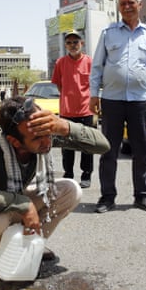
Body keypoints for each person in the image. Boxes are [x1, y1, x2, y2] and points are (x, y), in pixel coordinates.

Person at [0, 96, 110, 272]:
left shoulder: (41, 133)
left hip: (15, 198)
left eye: (48, 133)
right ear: (15, 141)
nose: (46, 142)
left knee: (71, 190)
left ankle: (32, 242)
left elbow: (103, 145)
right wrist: (24, 205)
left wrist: (63, 126)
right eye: (37, 139)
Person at [89, 0, 146, 214]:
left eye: (131, 2)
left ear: (140, 5)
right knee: (108, 151)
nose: (126, 6)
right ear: (119, 8)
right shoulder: (108, 33)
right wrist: (94, 94)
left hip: (140, 100)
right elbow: (97, 67)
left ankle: (142, 196)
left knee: (141, 151)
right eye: (122, 3)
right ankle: (107, 197)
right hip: (111, 101)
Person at [52, 30, 95, 189]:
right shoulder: (60, 63)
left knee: (86, 146)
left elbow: (95, 84)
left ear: (81, 43)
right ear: (65, 45)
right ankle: (68, 174)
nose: (72, 45)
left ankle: (86, 175)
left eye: (75, 42)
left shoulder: (90, 62)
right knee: (67, 147)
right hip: (67, 112)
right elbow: (59, 84)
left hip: (86, 111)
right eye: (69, 42)